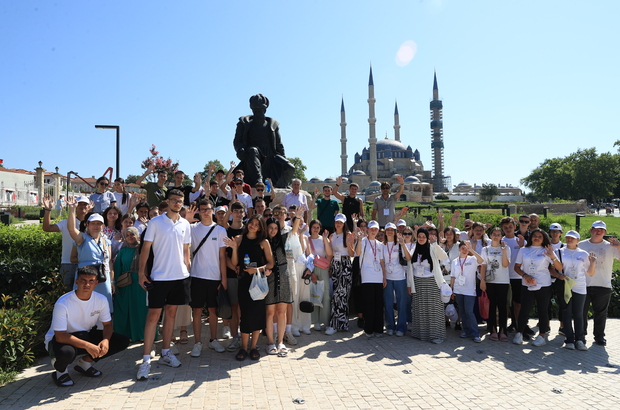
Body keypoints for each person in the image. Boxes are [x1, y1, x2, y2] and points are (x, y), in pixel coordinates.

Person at [136, 190, 191, 380]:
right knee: (153, 316)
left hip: (179, 277)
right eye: (174, 200)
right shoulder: (155, 222)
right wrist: (141, 272)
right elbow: (145, 248)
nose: (177, 203)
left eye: (180, 201)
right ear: (167, 202)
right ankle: (145, 361)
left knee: (172, 314)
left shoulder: (185, 224)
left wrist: (187, 264)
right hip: (158, 277)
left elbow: (186, 248)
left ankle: (166, 352)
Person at [44, 265, 130, 387]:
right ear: (77, 282)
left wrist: (105, 341)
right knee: (66, 353)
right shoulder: (63, 302)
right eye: (83, 280)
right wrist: (88, 346)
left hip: (85, 334)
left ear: (96, 283)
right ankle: (60, 371)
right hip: (61, 339)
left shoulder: (101, 299)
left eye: (91, 281)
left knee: (122, 341)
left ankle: (84, 363)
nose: (87, 284)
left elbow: (107, 325)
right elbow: (60, 336)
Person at [224, 214, 275, 361]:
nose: (253, 226)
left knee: (258, 314)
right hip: (244, 282)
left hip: (258, 282)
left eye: (256, 224)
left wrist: (258, 269)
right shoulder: (239, 239)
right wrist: (234, 248)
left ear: (261, 228)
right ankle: (243, 347)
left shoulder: (264, 242)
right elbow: (234, 264)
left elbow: (271, 263)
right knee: (245, 315)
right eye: (251, 223)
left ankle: (253, 347)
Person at [188, 198, 229, 357]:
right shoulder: (191, 228)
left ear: (213, 210)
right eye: (202, 209)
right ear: (198, 210)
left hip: (214, 277)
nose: (205, 212)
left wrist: (223, 278)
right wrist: (187, 220)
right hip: (196, 275)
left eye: (208, 209)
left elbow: (222, 257)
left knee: (213, 310)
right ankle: (197, 343)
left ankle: (213, 340)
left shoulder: (220, 230)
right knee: (197, 310)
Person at [512, 229, 563, 346]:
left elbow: (559, 266)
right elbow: (517, 267)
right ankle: (519, 333)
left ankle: (541, 336)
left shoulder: (547, 250)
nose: (537, 238)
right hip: (527, 284)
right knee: (524, 309)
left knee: (543, 311)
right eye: (535, 236)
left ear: (543, 238)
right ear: (531, 237)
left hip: (544, 285)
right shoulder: (523, 250)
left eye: (540, 236)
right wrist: (525, 276)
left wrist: (553, 256)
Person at [233, 93, 295, 188]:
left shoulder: (273, 125)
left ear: (265, 110)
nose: (257, 112)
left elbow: (279, 144)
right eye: (255, 110)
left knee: (290, 167)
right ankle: (259, 182)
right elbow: (237, 141)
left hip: (271, 156)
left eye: (260, 110)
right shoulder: (244, 124)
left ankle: (282, 185)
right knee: (253, 150)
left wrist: (283, 159)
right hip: (252, 156)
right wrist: (240, 149)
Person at [264, 210, 302, 356]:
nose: (273, 230)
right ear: (266, 228)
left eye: (275, 228)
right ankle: (270, 342)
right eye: (270, 228)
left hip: (284, 276)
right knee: (269, 313)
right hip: (269, 277)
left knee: (282, 312)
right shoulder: (263, 242)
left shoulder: (284, 238)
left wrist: (297, 217)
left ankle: (280, 342)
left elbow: (294, 230)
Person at [66, 200, 114, 312]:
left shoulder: (107, 241)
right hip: (85, 277)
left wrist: (112, 282)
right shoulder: (82, 238)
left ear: (103, 226)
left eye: (99, 224)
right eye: (93, 223)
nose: (96, 226)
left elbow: (109, 263)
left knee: (103, 308)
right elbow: (71, 229)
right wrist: (72, 209)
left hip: (102, 278)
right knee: (82, 306)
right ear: (87, 224)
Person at [579, 220, 620, 346]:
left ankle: (599, 336)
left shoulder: (611, 246)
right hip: (584, 284)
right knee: (581, 312)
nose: (599, 231)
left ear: (605, 232)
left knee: (601, 313)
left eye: (601, 230)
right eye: (596, 229)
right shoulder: (581, 245)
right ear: (591, 230)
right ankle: (581, 336)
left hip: (603, 284)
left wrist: (618, 246)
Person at [404, 227, 449, 344]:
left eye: (424, 237)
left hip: (432, 282)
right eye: (419, 236)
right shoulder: (414, 248)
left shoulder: (432, 247)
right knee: (420, 309)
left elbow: (443, 257)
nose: (421, 239)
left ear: (427, 237)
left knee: (434, 309)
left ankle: (437, 335)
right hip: (418, 282)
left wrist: (435, 245)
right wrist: (409, 284)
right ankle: (421, 334)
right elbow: (410, 266)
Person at [42, 194, 92, 291]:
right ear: (75, 206)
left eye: (85, 204)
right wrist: (48, 210)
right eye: (79, 204)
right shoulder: (65, 222)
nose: (82, 206)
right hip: (68, 264)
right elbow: (47, 228)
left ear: (89, 207)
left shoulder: (92, 225)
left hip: (87, 263)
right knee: (67, 294)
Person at [558, 230, 596, 351]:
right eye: (568, 237)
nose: (570, 239)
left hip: (579, 287)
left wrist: (593, 263)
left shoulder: (584, 254)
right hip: (566, 286)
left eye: (573, 238)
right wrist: (559, 276)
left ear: (578, 240)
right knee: (567, 313)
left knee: (579, 314)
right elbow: (552, 268)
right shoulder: (559, 251)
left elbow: (590, 273)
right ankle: (569, 339)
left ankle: (580, 340)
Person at [113, 227, 149, 342]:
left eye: (132, 234)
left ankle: (144, 335)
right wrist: (117, 285)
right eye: (127, 235)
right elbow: (117, 268)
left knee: (141, 309)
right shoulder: (123, 251)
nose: (130, 237)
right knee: (126, 309)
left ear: (137, 235)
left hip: (140, 284)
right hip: (126, 284)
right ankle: (125, 335)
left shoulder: (143, 249)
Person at [480, 228, 511, 341]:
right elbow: (483, 265)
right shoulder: (485, 249)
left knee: (502, 306)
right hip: (490, 281)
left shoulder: (506, 248)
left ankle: (503, 330)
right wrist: (482, 280)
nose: (496, 236)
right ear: (490, 235)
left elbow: (505, 264)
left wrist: (503, 250)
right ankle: (492, 330)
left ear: (501, 236)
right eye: (494, 234)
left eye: (499, 235)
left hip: (503, 281)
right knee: (492, 305)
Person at [355, 220, 385, 337]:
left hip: (378, 277)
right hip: (367, 277)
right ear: (368, 229)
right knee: (368, 304)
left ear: (378, 230)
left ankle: (379, 329)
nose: (373, 231)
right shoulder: (363, 241)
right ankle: (368, 330)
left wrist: (384, 277)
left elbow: (382, 262)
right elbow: (357, 253)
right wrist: (358, 239)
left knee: (378, 305)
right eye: (371, 228)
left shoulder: (380, 244)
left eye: (375, 229)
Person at [450, 241, 484, 343]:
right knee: (463, 312)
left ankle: (475, 333)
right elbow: (453, 276)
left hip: (469, 291)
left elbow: (481, 260)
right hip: (458, 290)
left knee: (469, 311)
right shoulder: (455, 261)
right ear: (459, 249)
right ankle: (466, 330)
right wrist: (451, 289)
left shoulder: (472, 259)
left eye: (466, 249)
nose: (465, 251)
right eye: (463, 248)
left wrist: (471, 250)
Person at [327, 214, 355, 334]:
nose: (338, 224)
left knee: (339, 296)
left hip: (345, 265)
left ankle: (334, 325)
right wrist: (329, 268)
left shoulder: (348, 235)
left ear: (344, 224)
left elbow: (352, 254)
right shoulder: (332, 236)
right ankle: (342, 324)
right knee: (338, 296)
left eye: (341, 222)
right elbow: (330, 253)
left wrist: (349, 243)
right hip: (335, 265)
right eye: (337, 222)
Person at [500, 216, 526, 333]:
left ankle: (518, 325)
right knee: (505, 303)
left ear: (514, 227)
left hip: (518, 276)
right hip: (503, 277)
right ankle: (505, 325)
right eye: (505, 227)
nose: (508, 229)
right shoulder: (500, 241)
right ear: (502, 228)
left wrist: (522, 246)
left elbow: (527, 256)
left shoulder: (521, 241)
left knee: (518, 303)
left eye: (510, 227)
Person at [382, 222, 408, 337]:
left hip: (400, 277)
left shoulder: (400, 244)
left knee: (402, 303)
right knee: (388, 303)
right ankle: (390, 326)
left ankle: (401, 327)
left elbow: (407, 258)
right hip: (387, 277)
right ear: (385, 231)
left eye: (392, 230)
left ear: (395, 231)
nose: (390, 232)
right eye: (388, 229)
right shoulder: (381, 245)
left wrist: (403, 245)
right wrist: (383, 277)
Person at [307, 219, 333, 332]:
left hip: (324, 269)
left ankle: (326, 322)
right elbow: (307, 258)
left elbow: (329, 254)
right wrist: (311, 274)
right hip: (312, 268)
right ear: (310, 228)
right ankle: (315, 321)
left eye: (318, 227)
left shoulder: (324, 240)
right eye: (314, 227)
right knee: (314, 295)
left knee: (326, 295)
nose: (316, 229)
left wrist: (326, 240)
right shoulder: (307, 240)